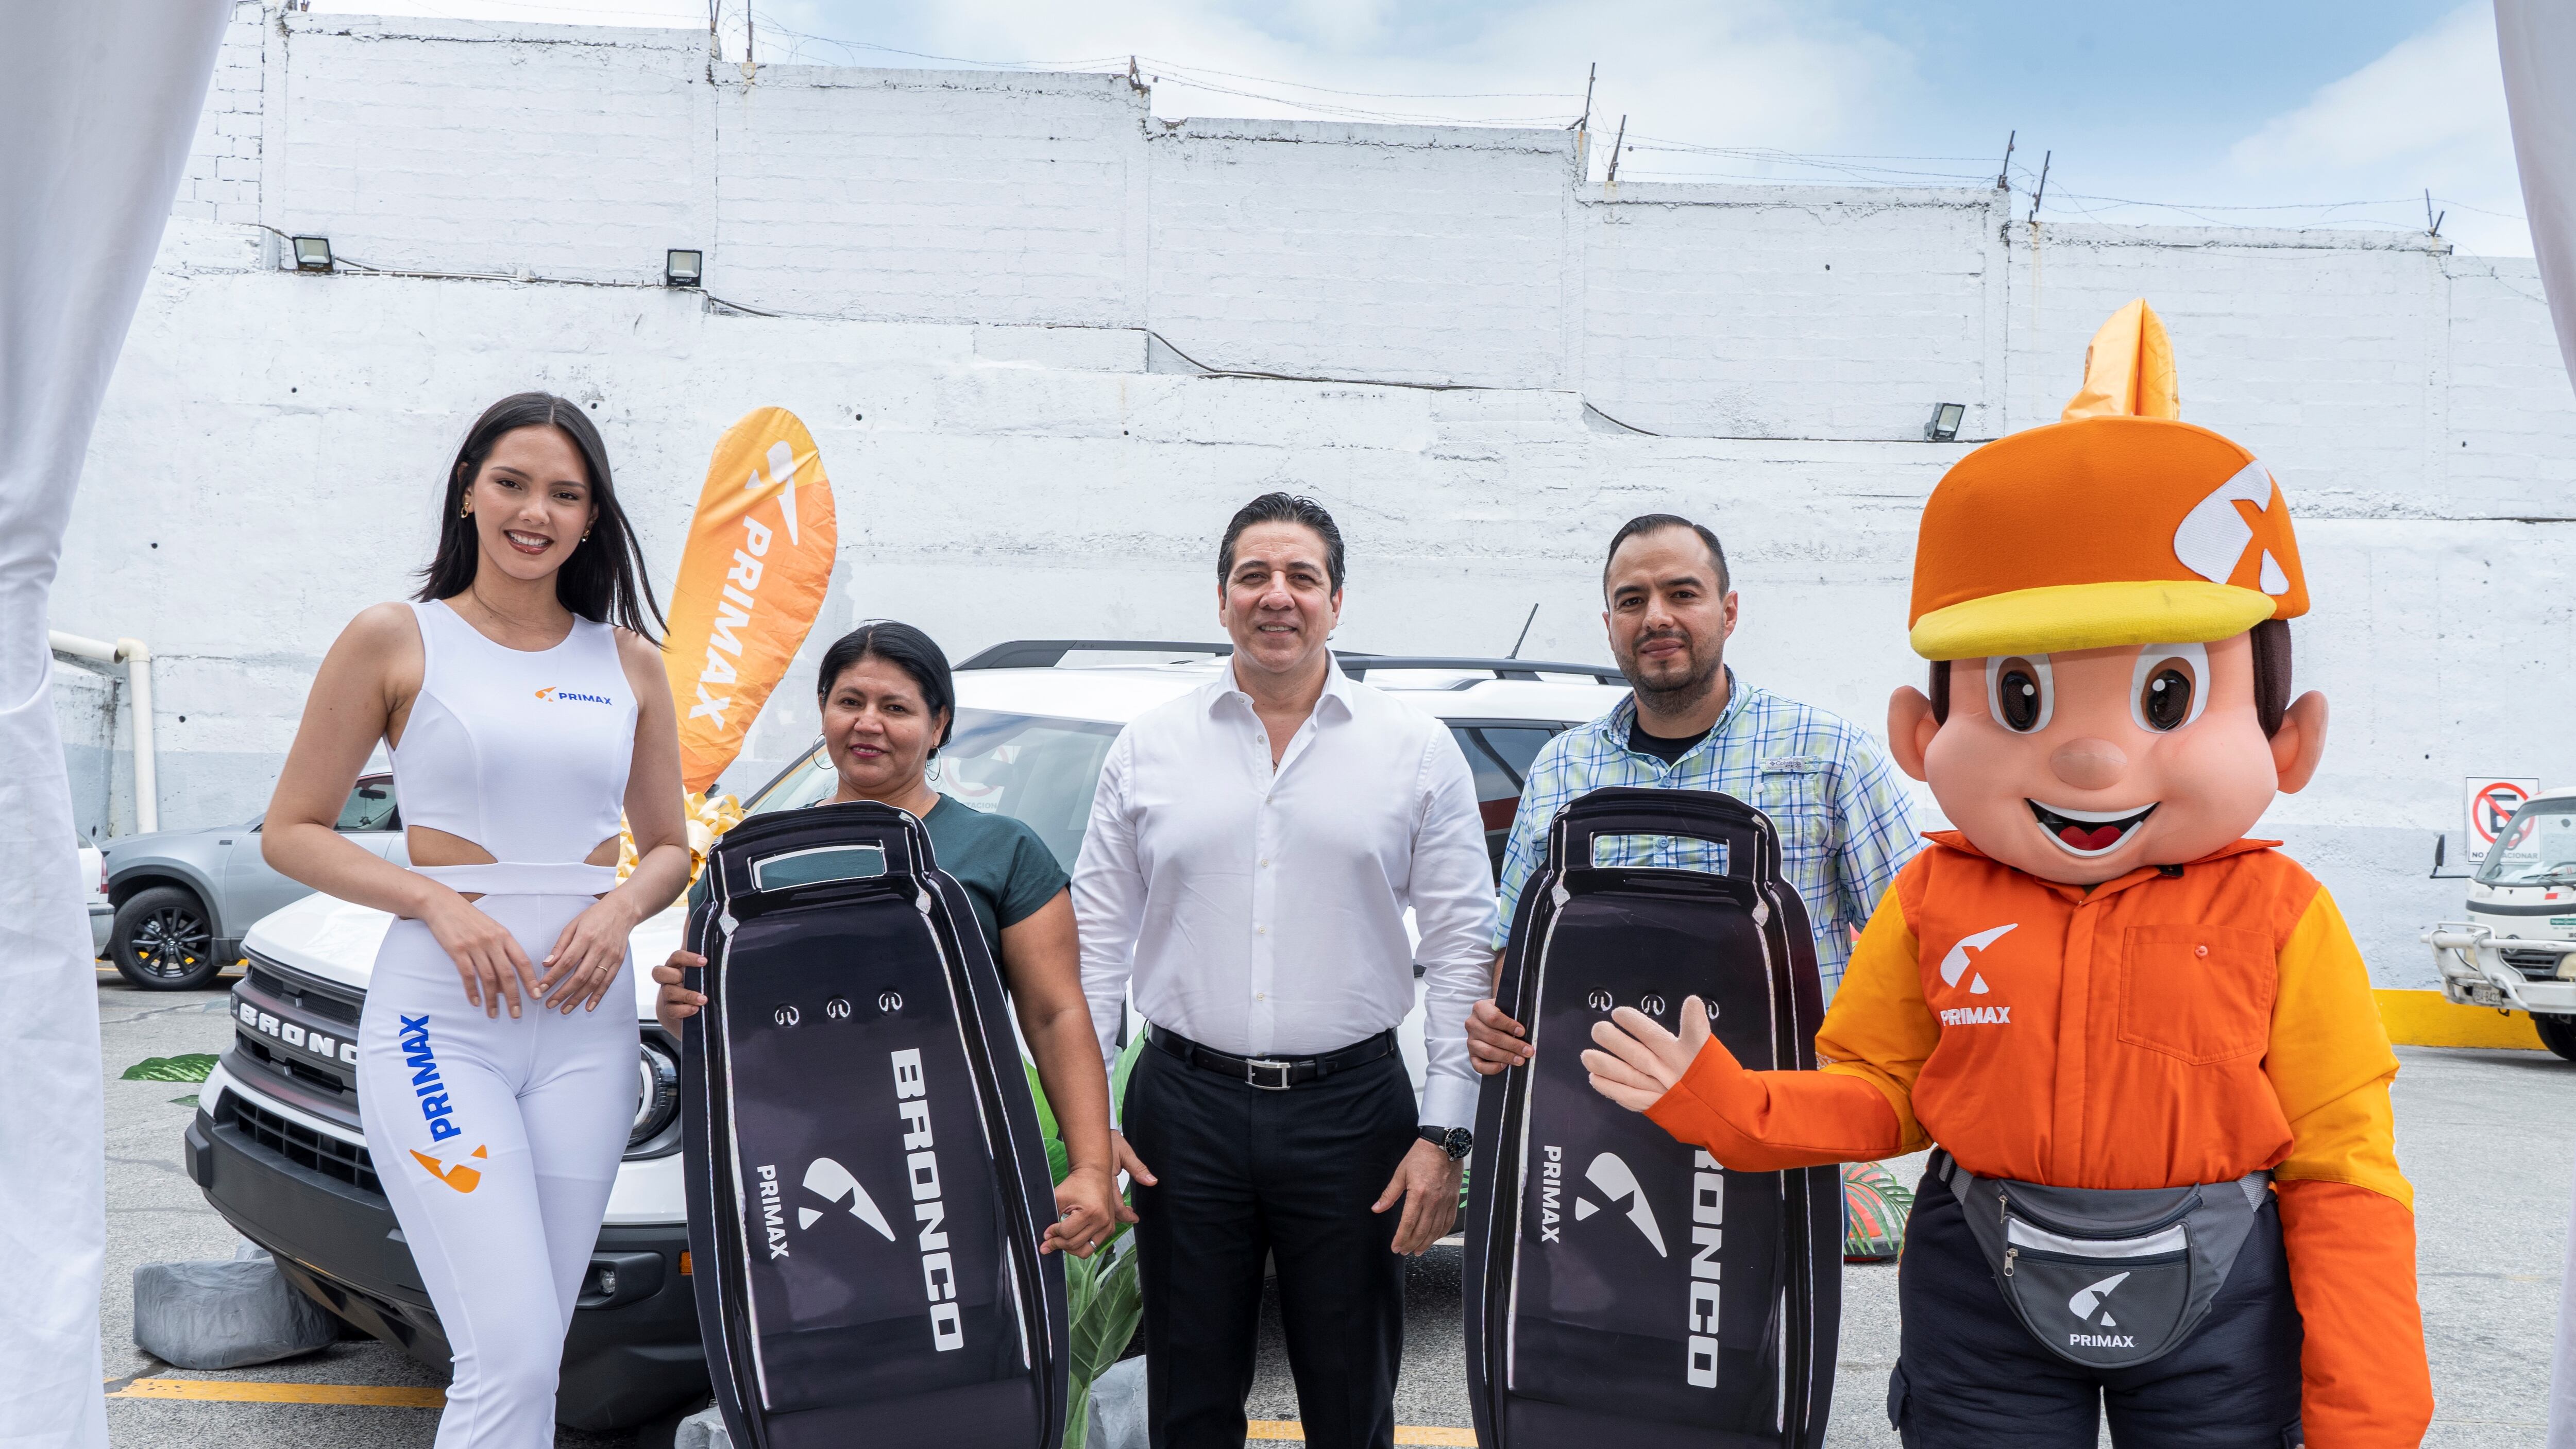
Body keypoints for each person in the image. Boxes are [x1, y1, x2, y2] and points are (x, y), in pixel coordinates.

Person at [1582, 302, 2432, 1446]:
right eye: (2020, 698)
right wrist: (1732, 1106)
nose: (2089, 755)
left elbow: (2344, 1169)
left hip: (2221, 1287)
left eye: (2164, 697)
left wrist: (2368, 1414)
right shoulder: (1937, 895)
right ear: (1920, 730)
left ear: (2287, 735)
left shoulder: (2279, 913)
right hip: (1983, 1273)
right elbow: (1882, 1086)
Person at [263, 391, 694, 1447]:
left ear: (591, 518)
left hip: (588, 1036)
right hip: (439, 1029)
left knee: (538, 1351)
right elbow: (292, 829)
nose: (534, 511)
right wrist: (434, 899)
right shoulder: (393, 637)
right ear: (468, 489)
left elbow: (671, 845)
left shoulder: (629, 662)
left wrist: (623, 906)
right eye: (512, 481)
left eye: (564, 493)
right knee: (504, 1347)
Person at [1072, 492, 1497, 1449]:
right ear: (1221, 598)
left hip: (1354, 1113)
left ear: (1336, 601)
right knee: (1188, 1392)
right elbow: (1096, 940)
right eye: (1253, 575)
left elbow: (1465, 943)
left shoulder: (1415, 750)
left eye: (1301, 576)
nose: (1278, 596)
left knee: (1351, 1399)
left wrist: (1446, 1132)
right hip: (1183, 1108)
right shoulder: (1148, 748)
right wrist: (1094, 1124)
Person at [652, 621, 1123, 1254]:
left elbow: (1055, 1013)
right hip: (793, 1167)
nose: (867, 722)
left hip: (959, 1158)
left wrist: (1091, 1168)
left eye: (895, 707)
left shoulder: (1001, 850)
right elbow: (721, 1031)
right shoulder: (749, 858)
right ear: (823, 711)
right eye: (850, 701)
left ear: (938, 726)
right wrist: (677, 1011)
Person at [1465, 512, 1921, 1075]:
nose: (1656, 617)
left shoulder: (1830, 753)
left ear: (1728, 611)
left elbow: (1911, 943)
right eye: (1631, 601)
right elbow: (1516, 941)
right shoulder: (1560, 768)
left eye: (1681, 593)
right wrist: (1497, 1019)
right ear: (1609, 624)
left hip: (1786, 1111)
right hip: (1599, 1111)